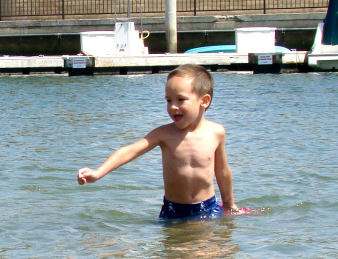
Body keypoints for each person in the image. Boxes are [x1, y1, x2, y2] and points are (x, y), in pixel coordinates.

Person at [77, 64, 239, 220]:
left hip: (208, 208)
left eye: (180, 99)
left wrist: (229, 204)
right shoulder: (164, 134)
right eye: (168, 100)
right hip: (174, 210)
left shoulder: (216, 132)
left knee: (212, 247)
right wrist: (98, 173)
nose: (173, 107)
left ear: (204, 101)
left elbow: (223, 172)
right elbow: (131, 151)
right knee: (175, 248)